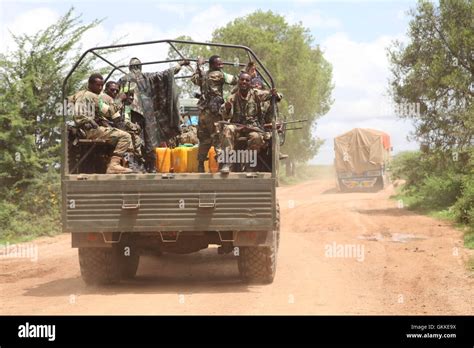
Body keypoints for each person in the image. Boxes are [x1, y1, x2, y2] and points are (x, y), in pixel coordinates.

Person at [119, 57, 190, 173]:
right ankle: (150, 166)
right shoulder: (147, 77)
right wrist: (180, 64)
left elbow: (117, 97)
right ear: (140, 67)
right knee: (149, 139)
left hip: (133, 112)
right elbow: (167, 73)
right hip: (145, 111)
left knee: (134, 138)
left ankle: (136, 165)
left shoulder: (123, 79)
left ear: (130, 67)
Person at [69, 73, 133, 174]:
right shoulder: (94, 97)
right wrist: (120, 99)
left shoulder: (79, 94)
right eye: (97, 85)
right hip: (91, 131)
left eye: (101, 85)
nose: (100, 88)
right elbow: (109, 111)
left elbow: (68, 101)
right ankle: (114, 165)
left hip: (82, 129)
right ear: (90, 84)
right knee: (125, 136)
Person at [218, 72, 280, 174]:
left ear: (250, 83)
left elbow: (274, 95)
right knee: (228, 129)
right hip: (237, 127)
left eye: (247, 80)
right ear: (238, 82)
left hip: (252, 128)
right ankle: (227, 163)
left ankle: (249, 164)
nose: (244, 82)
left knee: (256, 137)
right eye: (242, 80)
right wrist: (228, 109)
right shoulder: (232, 97)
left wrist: (274, 94)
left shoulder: (256, 94)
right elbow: (226, 116)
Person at [191, 55, 238, 172]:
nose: (221, 66)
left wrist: (198, 66)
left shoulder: (203, 75)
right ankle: (222, 165)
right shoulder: (220, 75)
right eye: (219, 64)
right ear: (213, 65)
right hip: (214, 113)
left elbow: (194, 79)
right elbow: (235, 80)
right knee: (218, 137)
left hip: (203, 113)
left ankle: (201, 165)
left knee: (204, 139)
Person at [101, 81, 145, 172]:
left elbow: (117, 118)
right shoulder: (103, 98)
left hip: (110, 125)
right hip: (103, 126)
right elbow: (109, 113)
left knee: (133, 137)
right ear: (106, 89)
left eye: (117, 91)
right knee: (127, 137)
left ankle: (129, 163)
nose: (115, 92)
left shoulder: (112, 100)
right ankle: (126, 164)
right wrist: (120, 99)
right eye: (112, 90)